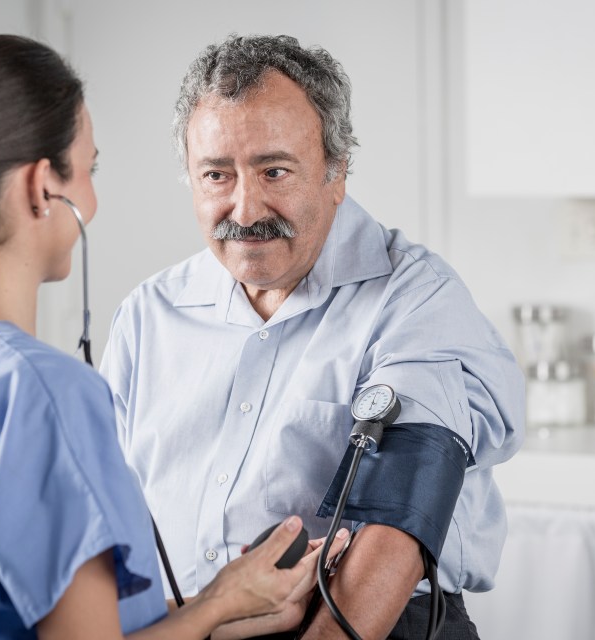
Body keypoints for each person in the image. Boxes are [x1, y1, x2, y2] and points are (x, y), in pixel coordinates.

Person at [0, 34, 341, 640]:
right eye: (87, 169)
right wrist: (213, 607)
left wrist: (218, 605)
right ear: (40, 188)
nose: (93, 199)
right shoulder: (43, 395)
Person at [100, 34, 525, 639]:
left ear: (336, 171)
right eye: (217, 174)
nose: (245, 207)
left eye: (275, 170)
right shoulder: (149, 315)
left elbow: (396, 521)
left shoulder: (416, 301)